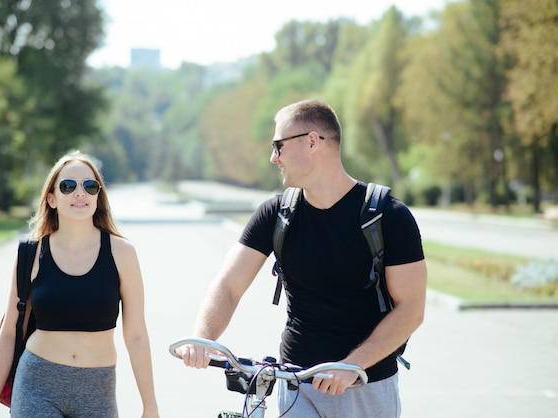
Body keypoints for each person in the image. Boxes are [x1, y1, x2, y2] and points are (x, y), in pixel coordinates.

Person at [179, 99, 427, 417]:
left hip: (365, 384)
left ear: (311, 141)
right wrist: (204, 338)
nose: (273, 157)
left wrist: (352, 365)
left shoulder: (388, 216)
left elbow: (411, 310)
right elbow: (229, 285)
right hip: (296, 384)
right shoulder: (277, 213)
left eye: (278, 146)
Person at [0, 151, 160, 418]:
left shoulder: (122, 253)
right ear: (51, 198)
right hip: (36, 384)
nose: (80, 193)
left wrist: (150, 405)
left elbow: (135, 335)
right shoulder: (31, 253)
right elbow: (8, 333)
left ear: (98, 197)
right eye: (68, 186)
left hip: (97, 390)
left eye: (90, 186)